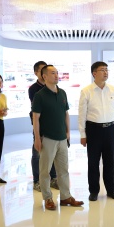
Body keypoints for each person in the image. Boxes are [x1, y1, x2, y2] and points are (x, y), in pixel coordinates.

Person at [32, 65, 84, 210]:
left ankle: (66, 196)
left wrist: (68, 132)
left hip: (62, 138)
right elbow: (36, 118)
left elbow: (66, 114)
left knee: (63, 170)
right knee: (45, 171)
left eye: (57, 73)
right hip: (47, 138)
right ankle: (48, 198)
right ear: (44, 76)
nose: (56, 75)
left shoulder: (62, 93)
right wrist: (37, 138)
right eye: (52, 73)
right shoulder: (39, 95)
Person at [78, 61, 114, 201]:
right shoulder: (86, 91)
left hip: (110, 129)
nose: (105, 72)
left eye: (107, 70)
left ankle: (111, 190)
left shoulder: (113, 90)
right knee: (93, 162)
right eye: (102, 70)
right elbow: (82, 115)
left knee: (109, 162)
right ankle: (93, 191)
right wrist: (83, 134)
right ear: (94, 73)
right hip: (93, 130)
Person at [28, 61, 58, 192]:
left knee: (53, 152)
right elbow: (37, 109)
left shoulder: (55, 88)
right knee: (37, 153)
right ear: (37, 73)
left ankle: (53, 178)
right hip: (40, 124)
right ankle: (36, 181)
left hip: (53, 125)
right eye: (41, 70)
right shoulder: (34, 89)